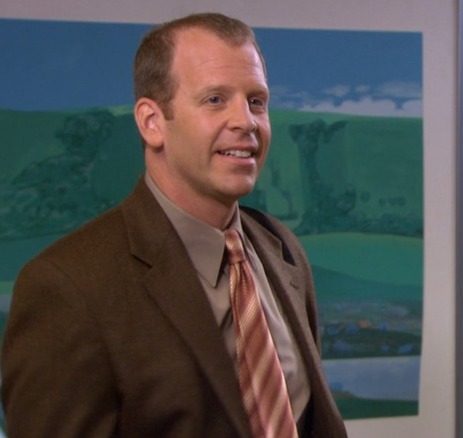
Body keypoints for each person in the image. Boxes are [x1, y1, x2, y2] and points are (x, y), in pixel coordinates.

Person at [1, 12, 347, 438]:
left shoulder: (283, 249)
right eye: (215, 100)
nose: (246, 121)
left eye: (256, 101)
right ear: (151, 122)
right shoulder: (67, 287)